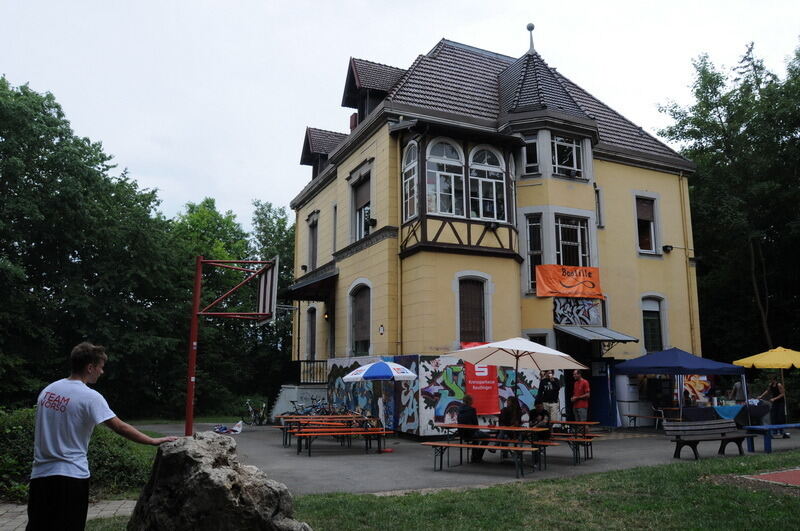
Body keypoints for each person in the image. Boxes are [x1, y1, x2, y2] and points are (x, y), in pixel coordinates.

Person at [27, 342, 178, 530]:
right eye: (100, 367)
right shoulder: (89, 397)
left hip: (40, 476)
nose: (102, 372)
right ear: (90, 367)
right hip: (71, 477)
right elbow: (119, 427)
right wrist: (152, 440)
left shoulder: (48, 391)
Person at [456, 394, 490, 463]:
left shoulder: (459, 409)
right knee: (487, 437)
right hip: (471, 433)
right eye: (472, 400)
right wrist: (477, 431)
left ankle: (474, 457)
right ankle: (478, 457)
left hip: (462, 433)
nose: (473, 401)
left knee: (476, 438)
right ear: (469, 401)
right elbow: (475, 424)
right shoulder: (471, 410)